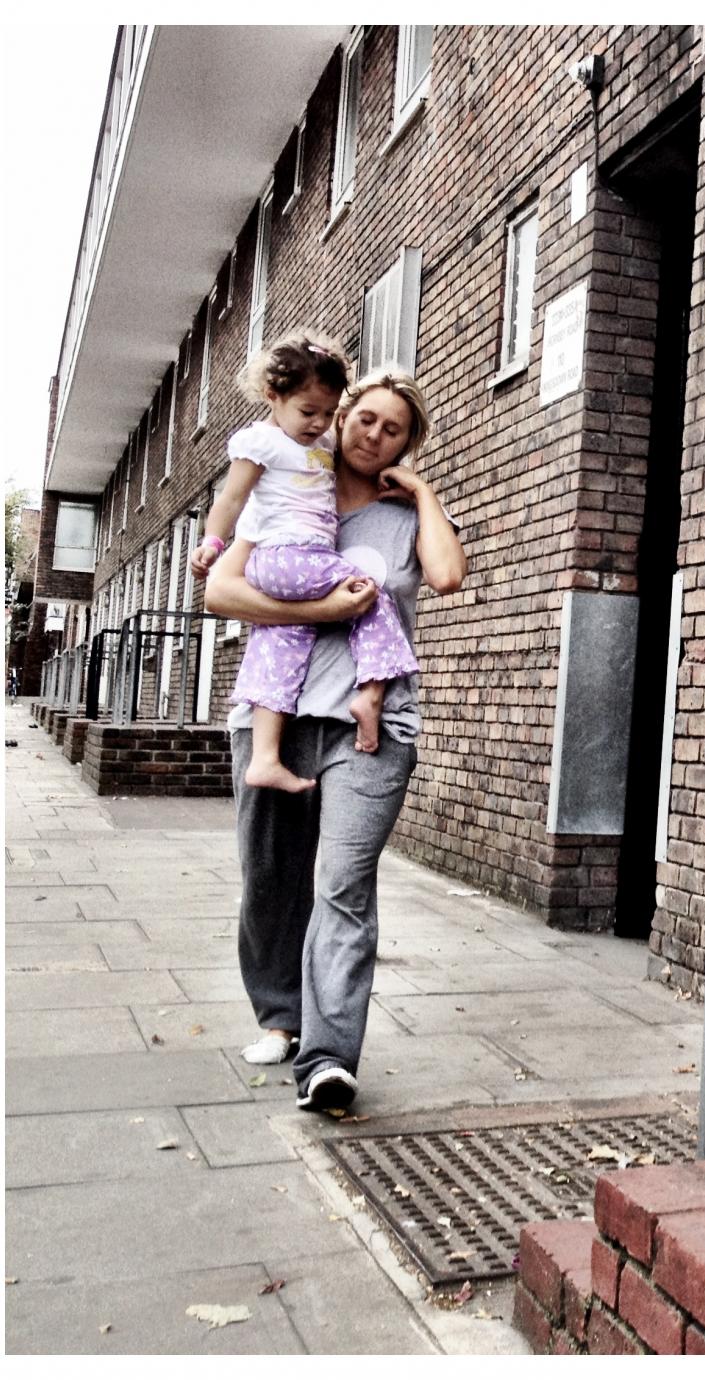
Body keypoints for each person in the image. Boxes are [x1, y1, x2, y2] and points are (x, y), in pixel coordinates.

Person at [203, 369, 465, 1113]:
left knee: (343, 885)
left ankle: (328, 1058)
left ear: (406, 445)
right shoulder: (289, 483)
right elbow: (221, 591)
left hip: (370, 730)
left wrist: (421, 494)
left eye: (394, 429)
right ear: (340, 417)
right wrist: (324, 607)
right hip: (273, 718)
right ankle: (280, 1015)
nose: (373, 434)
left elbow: (447, 576)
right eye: (366, 419)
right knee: (269, 881)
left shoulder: (403, 515)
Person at [193, 331, 420, 794]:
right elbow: (230, 500)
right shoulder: (264, 441)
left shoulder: (319, 442)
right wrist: (213, 544)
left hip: (292, 563)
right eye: (307, 412)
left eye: (327, 413)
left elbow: (360, 440)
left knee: (279, 643)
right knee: (367, 594)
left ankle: (265, 757)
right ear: (272, 397)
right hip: (288, 555)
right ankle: (372, 696)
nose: (318, 424)